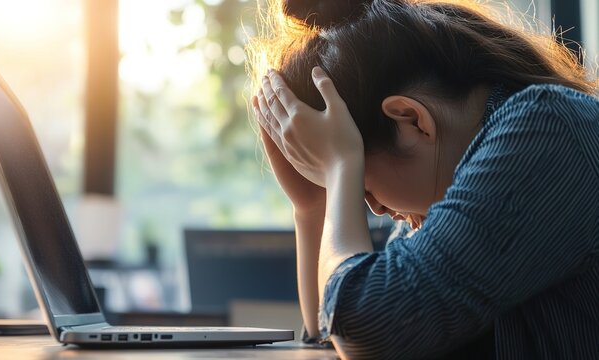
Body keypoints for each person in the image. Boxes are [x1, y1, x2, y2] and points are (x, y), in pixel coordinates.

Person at [246, 0, 599, 358]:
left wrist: (339, 169)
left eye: (362, 187)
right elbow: (331, 339)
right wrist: (313, 207)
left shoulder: (548, 131)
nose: (377, 209)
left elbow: (366, 327)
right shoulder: (445, 188)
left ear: (412, 120)